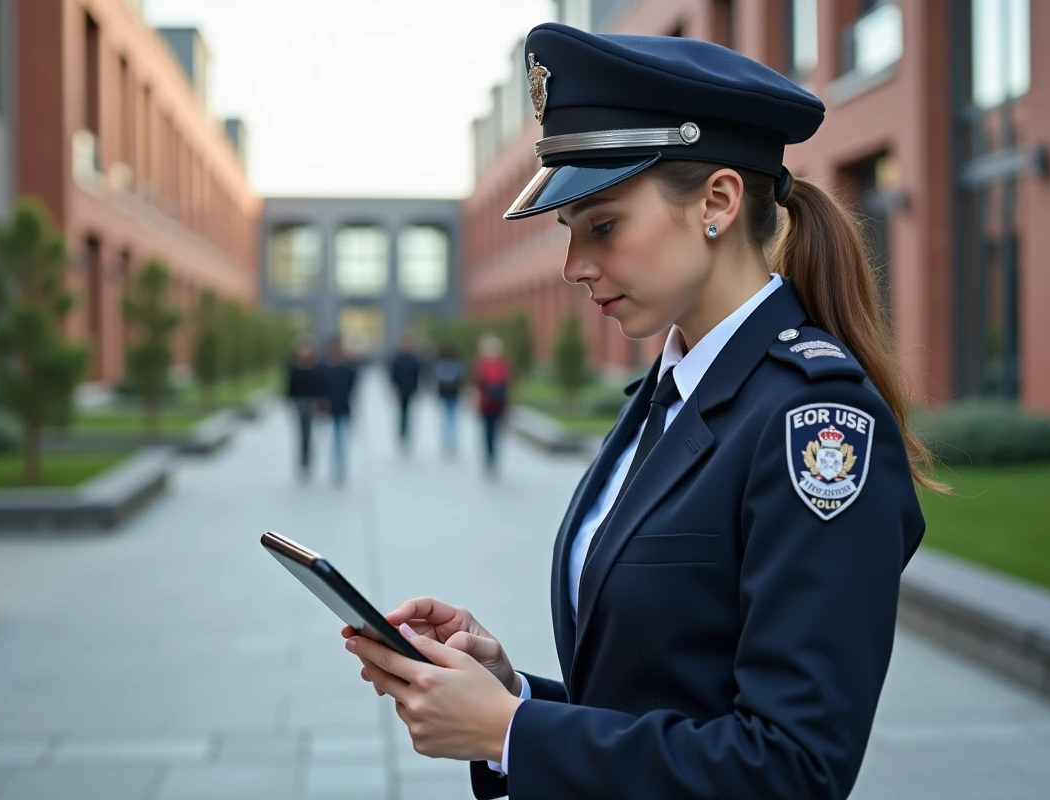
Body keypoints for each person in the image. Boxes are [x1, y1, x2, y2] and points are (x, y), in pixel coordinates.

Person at [342, 22, 943, 800]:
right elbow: (656, 697)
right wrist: (510, 696)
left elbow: (791, 769)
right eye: (569, 232)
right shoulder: (669, 395)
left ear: (718, 202)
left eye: (604, 225)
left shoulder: (814, 423)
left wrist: (510, 732)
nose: (573, 266)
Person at [284, 337, 324, 482]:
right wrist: (288, 401)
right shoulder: (293, 366)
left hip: (311, 401)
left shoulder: (316, 366)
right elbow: (290, 386)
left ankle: (307, 460)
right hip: (299, 401)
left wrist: (320, 400)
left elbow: (319, 384)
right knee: (303, 432)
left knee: (307, 432)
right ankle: (303, 461)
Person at [321, 335, 359, 482]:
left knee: (340, 437)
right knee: (332, 438)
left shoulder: (347, 368)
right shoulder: (324, 367)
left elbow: (352, 387)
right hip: (328, 407)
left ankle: (340, 467)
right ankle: (336, 466)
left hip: (343, 406)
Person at [472, 334, 511, 477]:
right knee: (487, 431)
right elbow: (476, 384)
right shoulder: (481, 364)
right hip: (486, 404)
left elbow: (507, 384)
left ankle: (493, 456)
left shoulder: (502, 364)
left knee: (495, 432)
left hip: (498, 404)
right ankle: (489, 457)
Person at [388, 331, 422, 451]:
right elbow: (393, 374)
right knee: (402, 412)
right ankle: (402, 432)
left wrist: (416, 388)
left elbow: (417, 374)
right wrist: (394, 388)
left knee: (409, 412)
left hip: (410, 389)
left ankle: (407, 432)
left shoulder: (413, 358)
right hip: (400, 390)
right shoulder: (397, 358)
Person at [433, 344, 465, 457]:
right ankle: (452, 441)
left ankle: (446, 441)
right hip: (454, 394)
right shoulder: (457, 364)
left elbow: (437, 379)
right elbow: (461, 379)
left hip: (444, 393)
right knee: (452, 418)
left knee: (445, 418)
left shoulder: (440, 364)